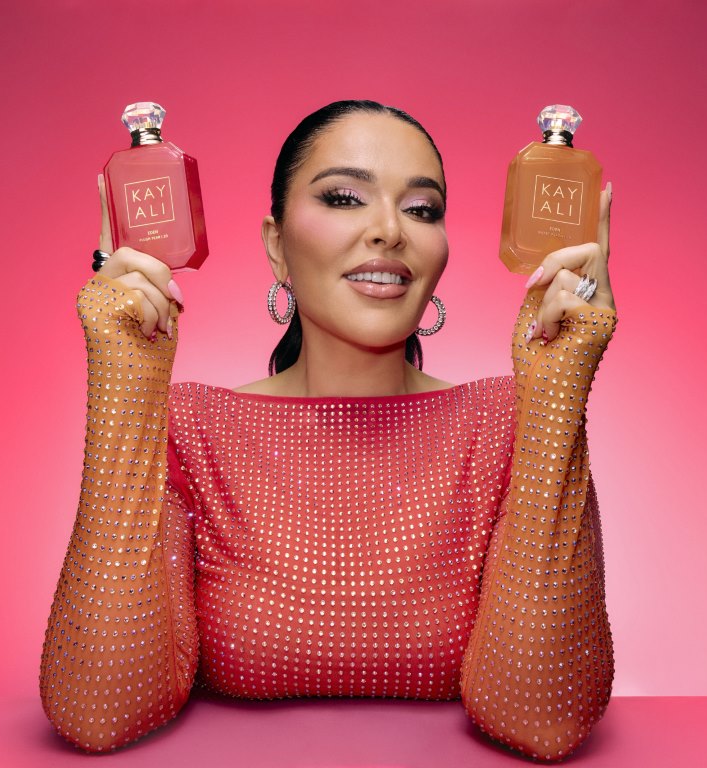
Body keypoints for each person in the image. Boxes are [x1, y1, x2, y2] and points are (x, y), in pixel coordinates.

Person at [39, 100, 617, 762]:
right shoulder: (192, 429)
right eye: (344, 198)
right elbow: (98, 711)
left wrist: (557, 387)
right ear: (276, 245)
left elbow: (542, 720)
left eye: (421, 209)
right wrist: (126, 375)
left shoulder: (509, 422)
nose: (389, 231)